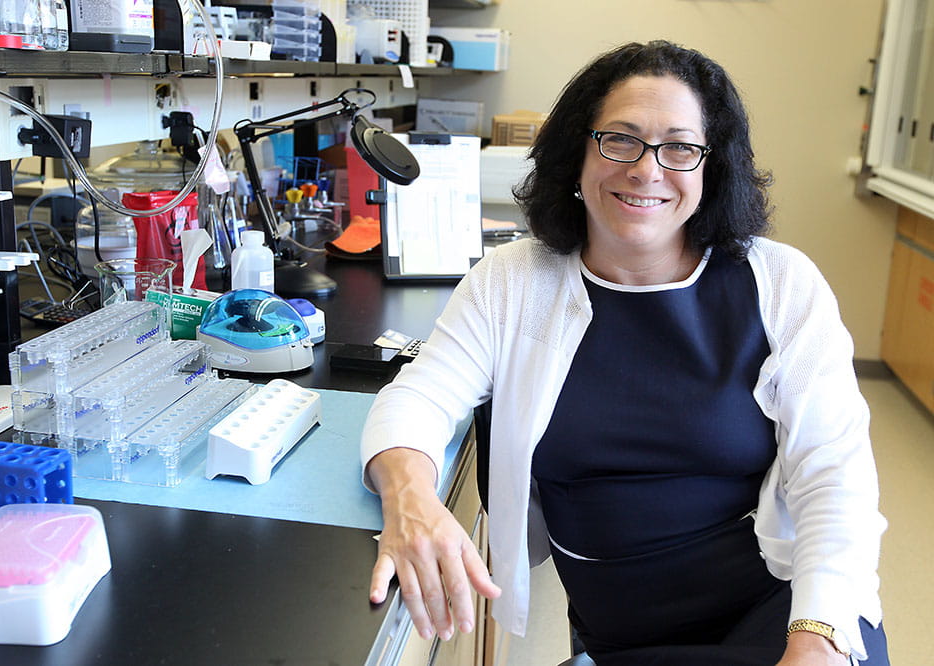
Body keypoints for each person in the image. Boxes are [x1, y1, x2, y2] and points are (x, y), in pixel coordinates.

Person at [360, 40, 889, 665]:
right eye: (621, 139)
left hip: (789, 615)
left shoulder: (779, 284)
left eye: (680, 147)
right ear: (578, 156)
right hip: (621, 635)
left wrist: (818, 644)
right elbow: (417, 397)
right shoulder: (514, 282)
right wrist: (410, 498)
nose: (647, 168)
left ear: (710, 169)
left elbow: (836, 474)